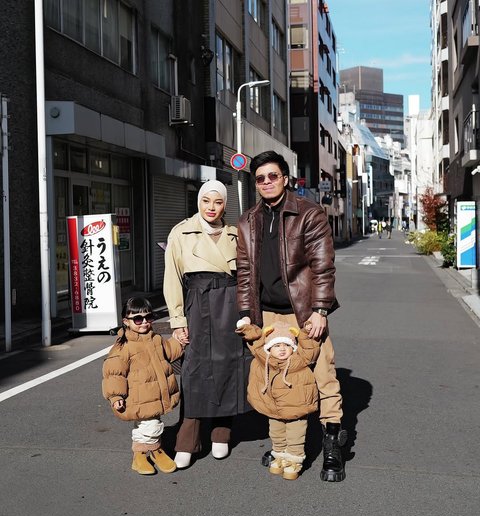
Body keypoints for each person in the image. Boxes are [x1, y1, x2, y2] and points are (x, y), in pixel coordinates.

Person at [237, 150, 347, 482]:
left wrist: (320, 310)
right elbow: (244, 273)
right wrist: (246, 314)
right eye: (260, 178)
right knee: (273, 379)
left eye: (273, 176)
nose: (267, 182)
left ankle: (332, 445)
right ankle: (283, 445)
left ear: (286, 178)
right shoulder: (247, 220)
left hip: (304, 313)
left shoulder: (309, 213)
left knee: (323, 377)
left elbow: (322, 266)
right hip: (268, 315)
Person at [163, 180, 250, 469]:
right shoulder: (181, 232)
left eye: (218, 202)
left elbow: (247, 277)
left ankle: (221, 434)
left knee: (228, 365)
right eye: (206, 201)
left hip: (229, 304)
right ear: (198, 202)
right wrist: (177, 320)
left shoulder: (236, 234)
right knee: (194, 369)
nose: (211, 208)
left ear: (225, 205)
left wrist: (248, 313)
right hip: (196, 304)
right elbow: (172, 279)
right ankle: (187, 441)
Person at [102, 297, 183, 475]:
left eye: (148, 317)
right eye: (137, 319)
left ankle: (139, 456)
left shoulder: (155, 338)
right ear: (126, 322)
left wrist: (179, 342)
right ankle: (155, 449)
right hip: (138, 397)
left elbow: (169, 351)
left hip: (153, 394)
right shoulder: (124, 346)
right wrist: (116, 396)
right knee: (152, 425)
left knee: (145, 424)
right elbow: (114, 374)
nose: (144, 322)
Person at [236, 319, 319, 480]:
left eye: (287, 345)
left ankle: (294, 459)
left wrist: (306, 332)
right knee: (276, 433)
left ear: (293, 347)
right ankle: (280, 454)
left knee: (296, 434)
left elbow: (310, 347)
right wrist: (246, 328)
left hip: (297, 408)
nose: (282, 349)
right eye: (277, 345)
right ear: (268, 348)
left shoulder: (299, 360)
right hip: (274, 408)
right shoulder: (263, 359)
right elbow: (255, 342)